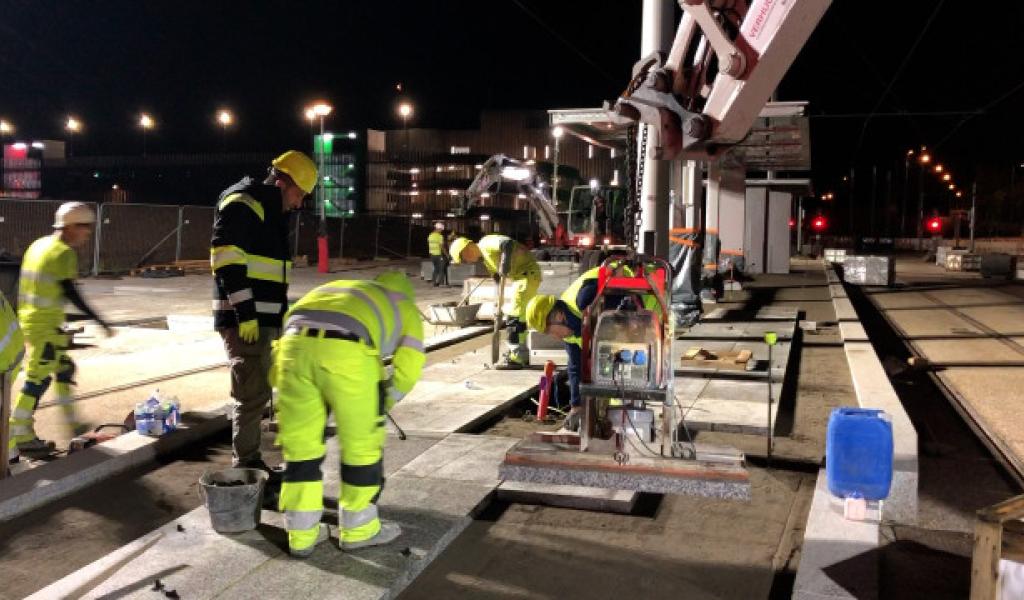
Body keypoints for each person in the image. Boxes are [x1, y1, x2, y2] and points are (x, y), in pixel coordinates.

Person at [272, 271, 425, 556]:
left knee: (300, 447)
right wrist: (382, 404)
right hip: (347, 353)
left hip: (291, 348)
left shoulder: (346, 290)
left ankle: (301, 534)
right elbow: (409, 370)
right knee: (361, 446)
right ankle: (359, 529)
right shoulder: (404, 306)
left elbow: (294, 322)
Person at [210, 150, 316, 476]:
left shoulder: (267, 209)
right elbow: (226, 257)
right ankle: (246, 466)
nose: (299, 204)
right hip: (246, 320)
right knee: (250, 392)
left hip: (262, 318)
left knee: (257, 391)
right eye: (299, 194)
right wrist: (246, 313)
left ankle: (250, 461)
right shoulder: (245, 202)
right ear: (284, 182)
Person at [10, 202, 112, 457]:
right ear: (70, 226)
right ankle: (19, 434)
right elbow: (71, 293)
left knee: (64, 368)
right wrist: (99, 320)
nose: (88, 233)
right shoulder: (63, 253)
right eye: (84, 227)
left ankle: (73, 424)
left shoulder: (39, 245)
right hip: (44, 327)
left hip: (31, 321)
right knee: (38, 379)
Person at [449, 234, 540, 367]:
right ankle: (520, 355)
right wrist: (497, 300)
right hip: (521, 278)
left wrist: (505, 262)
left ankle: (517, 358)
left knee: (514, 318)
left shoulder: (486, 242)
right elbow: (497, 278)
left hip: (527, 275)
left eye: (463, 259)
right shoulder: (486, 259)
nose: (467, 262)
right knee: (519, 317)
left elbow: (507, 243)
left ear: (466, 249)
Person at [1, 288, 24, 469]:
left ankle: (7, 458)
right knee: (2, 408)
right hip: (12, 351)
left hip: (4, 359)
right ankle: (10, 454)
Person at [427, 222, 446, 287]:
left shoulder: (430, 235)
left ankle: (434, 282)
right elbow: (442, 247)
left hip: (431, 255)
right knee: (441, 268)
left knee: (436, 268)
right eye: (441, 230)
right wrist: (447, 254)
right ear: (438, 229)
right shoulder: (440, 236)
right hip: (438, 255)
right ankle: (441, 283)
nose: (441, 231)